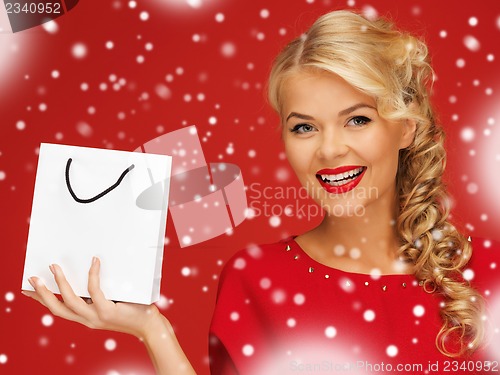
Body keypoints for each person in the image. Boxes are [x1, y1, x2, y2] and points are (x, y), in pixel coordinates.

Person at [23, 9, 499, 375]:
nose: (330, 149)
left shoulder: (488, 274)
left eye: (357, 119)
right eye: (304, 127)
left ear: (407, 129)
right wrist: (152, 328)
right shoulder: (255, 277)